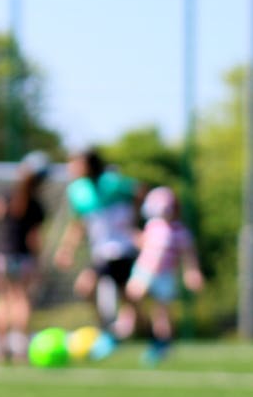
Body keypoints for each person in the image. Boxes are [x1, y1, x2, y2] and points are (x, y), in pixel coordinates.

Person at [54, 148, 141, 354]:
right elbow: (78, 224)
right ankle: (108, 330)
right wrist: (66, 250)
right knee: (86, 288)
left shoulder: (112, 183)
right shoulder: (78, 191)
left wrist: (134, 223)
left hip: (123, 249)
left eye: (76, 164)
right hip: (101, 252)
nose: (71, 169)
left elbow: (139, 192)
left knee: (129, 297)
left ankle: (150, 335)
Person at [125, 185, 204, 363]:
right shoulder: (153, 226)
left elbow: (188, 254)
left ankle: (162, 344)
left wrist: (193, 272)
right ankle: (127, 330)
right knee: (133, 298)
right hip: (144, 270)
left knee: (162, 312)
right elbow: (144, 244)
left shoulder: (180, 231)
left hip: (164, 274)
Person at [0, 150, 50, 362]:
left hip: (1, 256)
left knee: (4, 301)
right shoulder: (36, 204)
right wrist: (39, 263)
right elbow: (34, 239)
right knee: (21, 300)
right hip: (22, 258)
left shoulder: (7, 194)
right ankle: (21, 350)